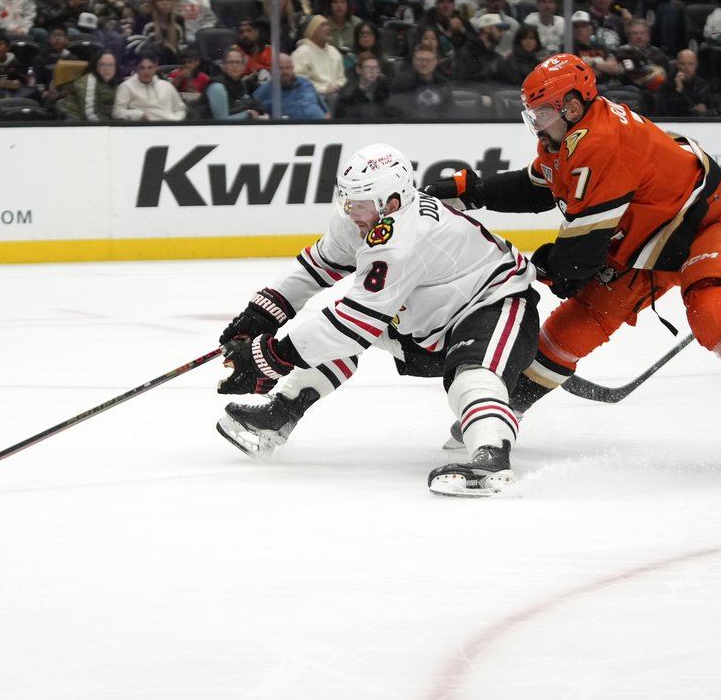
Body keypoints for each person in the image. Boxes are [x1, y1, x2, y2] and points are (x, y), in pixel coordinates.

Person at [423, 54, 721, 478]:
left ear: (572, 105)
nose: (536, 122)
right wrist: (473, 190)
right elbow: (535, 188)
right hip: (645, 244)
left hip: (704, 225)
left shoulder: (599, 142)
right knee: (571, 328)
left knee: (713, 310)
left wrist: (544, 267)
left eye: (542, 112)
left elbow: (577, 257)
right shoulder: (568, 139)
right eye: (533, 113)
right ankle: (502, 414)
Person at [215, 144, 540, 496]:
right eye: (347, 199)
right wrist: (261, 314)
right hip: (424, 319)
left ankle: (490, 458)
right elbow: (319, 266)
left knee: (470, 378)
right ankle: (281, 413)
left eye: (361, 202)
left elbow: (353, 325)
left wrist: (270, 358)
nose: (351, 210)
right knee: (342, 328)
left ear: (393, 202)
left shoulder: (405, 237)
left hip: (492, 304)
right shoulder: (362, 217)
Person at [112, 53, 185, 121]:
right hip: (143, 127)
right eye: (142, 68)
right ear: (136, 68)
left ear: (156, 67)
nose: (146, 71)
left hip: (171, 126)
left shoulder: (167, 86)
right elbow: (117, 112)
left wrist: (176, 120)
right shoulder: (126, 87)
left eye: (150, 68)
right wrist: (138, 115)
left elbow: (180, 109)